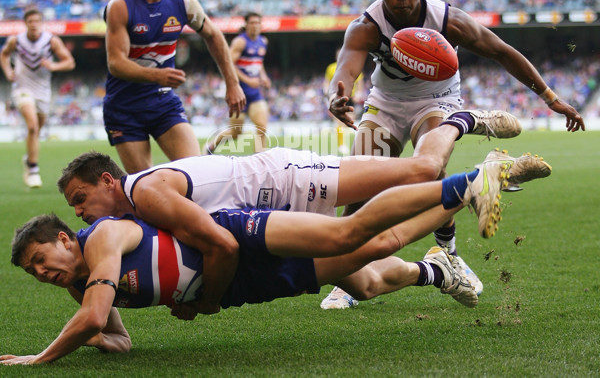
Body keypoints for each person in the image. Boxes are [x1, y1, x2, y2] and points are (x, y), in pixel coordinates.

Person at [3, 157, 533, 364]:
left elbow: (97, 317)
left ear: (66, 238)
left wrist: (41, 358)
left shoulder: (101, 236)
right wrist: (94, 335)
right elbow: (112, 333)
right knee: (373, 259)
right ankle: (461, 205)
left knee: (350, 231)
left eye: (38, 257)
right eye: (31, 272)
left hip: (238, 237)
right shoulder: (84, 285)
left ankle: (468, 178)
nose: (40, 272)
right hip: (240, 288)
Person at [325, 0, 584, 308]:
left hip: (437, 97)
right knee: (358, 183)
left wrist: (550, 97)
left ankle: (448, 252)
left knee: (431, 168)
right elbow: (346, 69)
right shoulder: (366, 26)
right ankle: (352, 270)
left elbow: (502, 51)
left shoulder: (448, 20)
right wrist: (339, 94)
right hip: (385, 102)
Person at [56, 144, 550, 315]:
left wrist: (205, 299)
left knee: (416, 173)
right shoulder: (133, 215)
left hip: (275, 186)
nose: (81, 213)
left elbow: (219, 242)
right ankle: (439, 268)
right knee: (370, 274)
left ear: (107, 180)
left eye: (81, 199)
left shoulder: (144, 194)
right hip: (259, 220)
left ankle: (466, 134)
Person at [103, 0, 245, 173]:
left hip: (162, 100)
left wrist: (232, 84)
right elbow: (116, 63)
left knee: (196, 174)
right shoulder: (120, 6)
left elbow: (214, 35)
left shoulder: (183, 2)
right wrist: (157, 75)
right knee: (144, 187)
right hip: (124, 107)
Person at [0, 7, 75, 188]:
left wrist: (52, 66)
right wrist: (8, 71)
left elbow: (69, 62)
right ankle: (33, 169)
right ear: (25, 24)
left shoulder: (51, 41)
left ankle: (28, 158)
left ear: (42, 23)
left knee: (37, 130)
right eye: (30, 21)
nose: (33, 25)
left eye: (36, 21)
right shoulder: (16, 41)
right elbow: (4, 55)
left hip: (43, 91)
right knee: (32, 126)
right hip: (22, 88)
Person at [205, 12, 272, 154]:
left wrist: (263, 76)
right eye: (252, 23)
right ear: (246, 25)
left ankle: (260, 162)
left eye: (258, 23)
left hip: (254, 93)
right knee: (236, 133)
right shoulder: (240, 42)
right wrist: (248, 80)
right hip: (238, 92)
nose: (255, 26)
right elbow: (228, 64)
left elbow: (258, 63)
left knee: (262, 127)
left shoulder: (263, 41)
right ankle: (211, 145)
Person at [322, 47, 365, 154]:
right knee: (339, 121)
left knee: (352, 120)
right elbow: (327, 81)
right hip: (338, 97)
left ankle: (355, 144)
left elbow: (360, 81)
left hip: (351, 97)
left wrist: (359, 93)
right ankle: (341, 145)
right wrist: (327, 92)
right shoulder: (331, 68)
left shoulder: (353, 65)